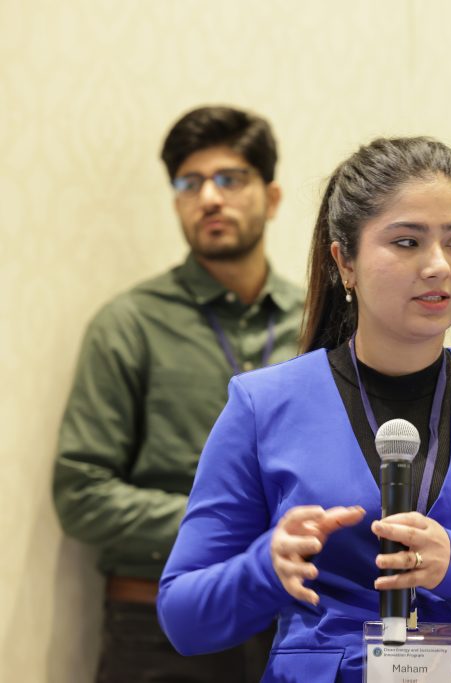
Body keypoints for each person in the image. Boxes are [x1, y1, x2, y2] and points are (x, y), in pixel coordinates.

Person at [157, 137, 451, 681]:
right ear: (345, 261)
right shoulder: (263, 404)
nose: (438, 265)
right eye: (407, 242)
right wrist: (263, 568)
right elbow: (183, 617)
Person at [52, 105, 304, 682]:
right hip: (157, 622)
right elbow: (81, 493)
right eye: (190, 184)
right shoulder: (130, 324)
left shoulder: (321, 325)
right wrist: (234, 528)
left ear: (272, 197)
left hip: (296, 618)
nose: (209, 198)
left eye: (230, 179)